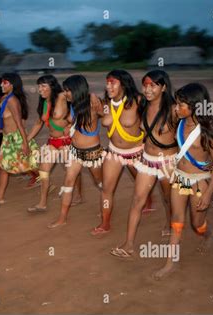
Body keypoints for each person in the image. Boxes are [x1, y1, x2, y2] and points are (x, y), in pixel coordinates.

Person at [153, 83, 213, 280]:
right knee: (177, 220)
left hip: (200, 181)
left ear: (196, 106)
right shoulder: (180, 121)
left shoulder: (208, 131)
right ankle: (170, 263)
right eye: (177, 103)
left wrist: (208, 194)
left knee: (197, 223)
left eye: (182, 104)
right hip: (180, 178)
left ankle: (208, 234)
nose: (177, 107)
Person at [111, 70, 177, 259]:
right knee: (137, 201)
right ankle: (129, 245)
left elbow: (187, 133)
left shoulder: (174, 110)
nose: (147, 89)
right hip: (147, 161)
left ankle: (169, 223)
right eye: (145, 85)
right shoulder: (142, 106)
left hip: (168, 162)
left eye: (153, 85)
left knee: (167, 198)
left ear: (163, 87)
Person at [92, 70, 149, 236]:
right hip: (114, 153)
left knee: (141, 184)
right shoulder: (105, 104)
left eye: (112, 82)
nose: (108, 86)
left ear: (123, 84)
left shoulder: (139, 101)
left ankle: (149, 200)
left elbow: (150, 122)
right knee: (106, 189)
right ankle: (105, 223)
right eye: (107, 82)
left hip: (137, 152)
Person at [48, 75, 103, 228]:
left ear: (77, 89)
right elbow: (61, 115)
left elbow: (106, 116)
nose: (66, 93)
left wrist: (94, 98)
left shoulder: (93, 102)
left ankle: (106, 206)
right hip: (75, 151)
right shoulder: (71, 104)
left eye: (68, 90)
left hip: (92, 152)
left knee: (101, 183)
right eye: (65, 90)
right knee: (68, 182)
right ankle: (62, 218)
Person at [27, 75, 82, 213]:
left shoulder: (62, 96)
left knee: (72, 172)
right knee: (43, 171)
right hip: (52, 142)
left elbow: (79, 97)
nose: (40, 89)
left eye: (44, 86)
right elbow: (39, 123)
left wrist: (72, 125)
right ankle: (42, 203)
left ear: (52, 86)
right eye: (39, 86)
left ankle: (79, 195)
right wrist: (26, 139)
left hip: (66, 143)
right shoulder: (44, 103)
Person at [0, 73, 39, 206]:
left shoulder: (12, 101)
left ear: (12, 85)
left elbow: (19, 124)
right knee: (5, 168)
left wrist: (25, 144)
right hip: (7, 139)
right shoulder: (4, 99)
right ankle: (0, 198)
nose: (2, 85)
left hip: (17, 139)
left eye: (5, 83)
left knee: (30, 165)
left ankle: (43, 180)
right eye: (2, 82)